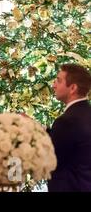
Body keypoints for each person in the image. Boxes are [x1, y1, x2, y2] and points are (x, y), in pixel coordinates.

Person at [48, 63, 91, 192]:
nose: (53, 85)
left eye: (59, 81)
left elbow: (51, 159)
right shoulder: (85, 113)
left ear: (72, 88)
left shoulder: (66, 121)